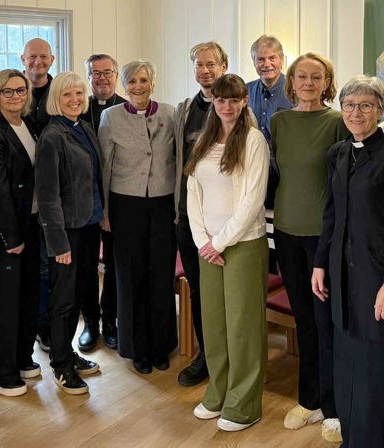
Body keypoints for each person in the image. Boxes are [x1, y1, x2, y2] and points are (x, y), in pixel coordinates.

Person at [312, 75, 384, 446]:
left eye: (366, 106)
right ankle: (352, 438)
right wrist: (320, 263)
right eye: (350, 105)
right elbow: (331, 214)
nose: (356, 113)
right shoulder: (337, 153)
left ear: (380, 109)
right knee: (345, 363)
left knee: (374, 368)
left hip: (376, 279)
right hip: (340, 276)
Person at [270, 52, 350, 437]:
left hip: (322, 236)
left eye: (316, 77)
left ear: (326, 82)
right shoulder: (278, 121)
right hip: (285, 232)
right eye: (301, 76)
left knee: (325, 321)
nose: (308, 82)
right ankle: (308, 400)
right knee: (304, 320)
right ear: (291, 81)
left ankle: (333, 406)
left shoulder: (337, 122)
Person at [185, 74, 269, 432]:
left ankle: (244, 403)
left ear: (244, 101)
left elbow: (253, 199)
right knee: (215, 324)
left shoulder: (253, 140)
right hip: (209, 247)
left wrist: (219, 242)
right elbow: (192, 190)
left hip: (242, 245)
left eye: (234, 99)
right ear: (214, 102)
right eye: (221, 100)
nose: (227, 106)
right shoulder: (204, 140)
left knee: (242, 326)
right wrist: (203, 240)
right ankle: (218, 391)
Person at [98, 59, 177, 374]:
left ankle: (161, 345)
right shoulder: (110, 117)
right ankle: (137, 348)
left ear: (152, 83)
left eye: (143, 80)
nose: (138, 87)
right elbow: (104, 167)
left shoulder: (171, 114)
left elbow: (179, 158)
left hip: (162, 204)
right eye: (131, 82)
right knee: (130, 277)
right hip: (124, 204)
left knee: (160, 275)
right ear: (124, 86)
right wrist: (104, 212)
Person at [35, 71, 102, 395]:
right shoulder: (52, 136)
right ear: (55, 100)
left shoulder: (83, 126)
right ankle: (60, 365)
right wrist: (57, 242)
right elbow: (47, 196)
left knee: (77, 296)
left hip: (88, 226)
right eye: (67, 95)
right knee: (63, 301)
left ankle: (69, 353)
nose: (75, 99)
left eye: (79, 93)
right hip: (67, 233)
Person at [0, 69, 42, 397]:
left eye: (20, 90)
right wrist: (11, 237)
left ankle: (21, 357)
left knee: (27, 294)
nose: (15, 96)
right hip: (8, 229)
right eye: (8, 91)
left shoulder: (28, 124)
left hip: (32, 222)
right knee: (3, 300)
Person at [174, 41, 228, 387]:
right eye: (198, 65)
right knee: (197, 289)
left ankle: (228, 357)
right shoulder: (184, 109)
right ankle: (206, 355)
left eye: (211, 64)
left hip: (223, 220)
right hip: (187, 217)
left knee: (225, 293)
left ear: (223, 66)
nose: (205, 70)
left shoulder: (236, 106)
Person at [77, 53, 126, 352]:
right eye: (95, 73)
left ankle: (110, 321)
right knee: (84, 266)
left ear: (116, 74)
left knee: (112, 264)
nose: (102, 78)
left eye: (107, 72)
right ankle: (90, 323)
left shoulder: (126, 108)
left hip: (115, 201)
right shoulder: (79, 108)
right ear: (89, 77)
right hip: (83, 203)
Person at [0, 38, 54, 135]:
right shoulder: (3, 89)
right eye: (32, 56)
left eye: (44, 56)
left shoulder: (61, 92)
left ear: (52, 60)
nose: (38, 61)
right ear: (23, 59)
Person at [246, 35, 293, 144]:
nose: (267, 64)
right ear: (254, 62)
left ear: (281, 60)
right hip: (253, 157)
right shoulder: (245, 90)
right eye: (261, 59)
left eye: (272, 58)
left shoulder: (295, 90)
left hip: (284, 158)